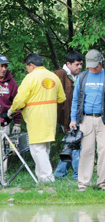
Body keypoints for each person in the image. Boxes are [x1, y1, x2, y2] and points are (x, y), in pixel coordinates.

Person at [70, 49, 105, 192]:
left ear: (100, 61)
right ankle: (83, 184)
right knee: (86, 152)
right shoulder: (82, 77)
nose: (92, 67)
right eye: (90, 65)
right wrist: (73, 119)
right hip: (85, 119)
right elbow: (75, 100)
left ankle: (103, 183)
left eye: (95, 64)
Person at [8, 53, 66, 183]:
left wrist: (11, 111)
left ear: (31, 65)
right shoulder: (53, 77)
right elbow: (62, 98)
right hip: (50, 117)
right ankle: (41, 179)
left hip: (36, 117)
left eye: (27, 67)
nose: (27, 70)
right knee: (45, 148)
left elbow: (20, 99)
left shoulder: (30, 78)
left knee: (37, 149)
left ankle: (47, 179)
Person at [54, 51, 83, 180]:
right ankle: (78, 175)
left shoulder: (78, 76)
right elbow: (60, 101)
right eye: (77, 64)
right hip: (66, 118)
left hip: (76, 117)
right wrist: (66, 120)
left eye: (81, 64)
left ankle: (60, 173)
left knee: (71, 146)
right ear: (68, 64)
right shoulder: (60, 74)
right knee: (75, 145)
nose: (80, 67)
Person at [0, 54, 22, 173]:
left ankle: (2, 176)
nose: (4, 69)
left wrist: (17, 123)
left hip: (4, 123)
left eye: (5, 66)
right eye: (1, 66)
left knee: (4, 150)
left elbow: (16, 103)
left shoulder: (12, 83)